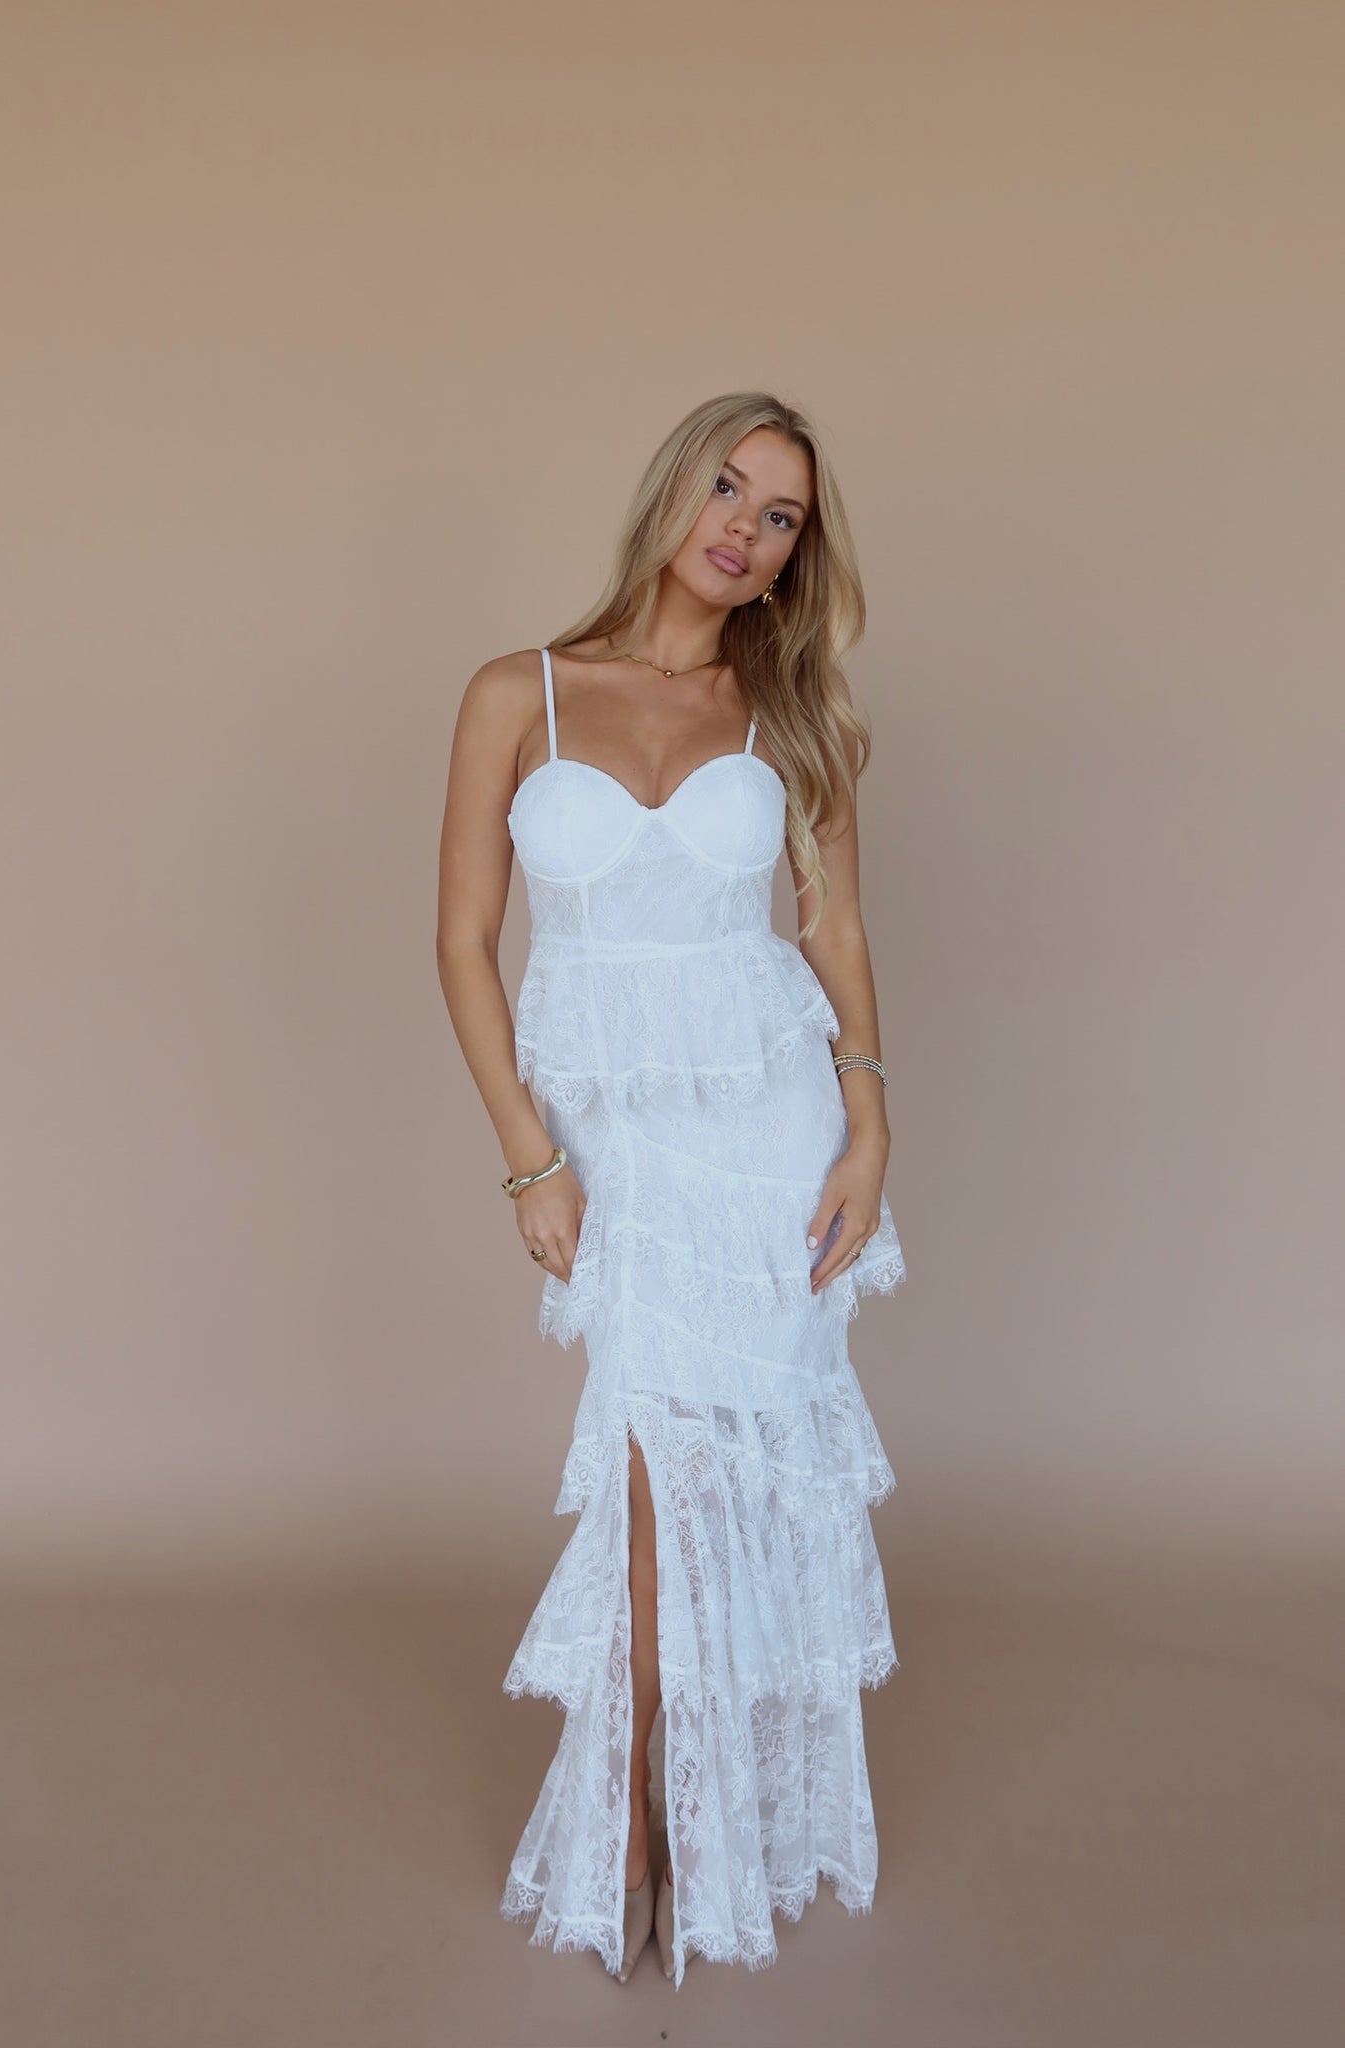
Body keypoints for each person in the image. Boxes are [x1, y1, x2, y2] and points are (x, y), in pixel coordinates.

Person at [436, 390, 906, 1988]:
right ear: (671, 491)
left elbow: (832, 927)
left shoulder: (786, 714)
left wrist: (867, 1125)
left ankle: (682, 1816)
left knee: (720, 1483)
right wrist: (529, 1156)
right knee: (650, 1469)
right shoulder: (517, 692)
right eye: (728, 487)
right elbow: (460, 941)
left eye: (780, 517)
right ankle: (643, 1812)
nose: (744, 528)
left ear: (790, 559)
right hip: (610, 1140)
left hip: (769, 1129)